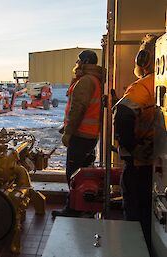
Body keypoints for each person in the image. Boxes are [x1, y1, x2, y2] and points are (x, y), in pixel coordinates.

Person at [113, 34, 158, 251]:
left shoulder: (146, 85)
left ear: (144, 59)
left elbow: (122, 114)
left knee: (136, 222)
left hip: (140, 168)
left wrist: (132, 147)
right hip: (158, 169)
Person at [52, 50, 104, 217]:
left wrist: (68, 133)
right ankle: (84, 207)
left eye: (78, 60)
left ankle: (73, 209)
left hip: (81, 135)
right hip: (88, 135)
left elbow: (78, 109)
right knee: (83, 172)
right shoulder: (93, 80)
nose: (76, 63)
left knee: (74, 174)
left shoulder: (86, 81)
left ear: (85, 61)